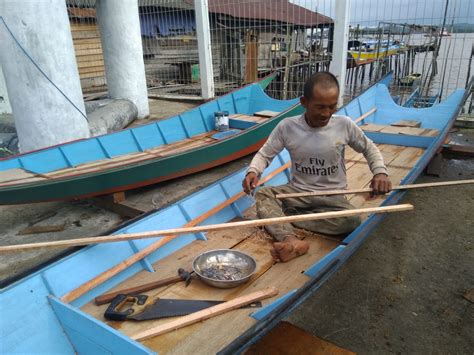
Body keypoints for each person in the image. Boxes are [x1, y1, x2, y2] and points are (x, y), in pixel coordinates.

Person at [242, 72, 392, 263]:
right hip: (297, 193)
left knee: (351, 221)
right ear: (304, 102)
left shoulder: (344, 125)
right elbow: (265, 154)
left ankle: (284, 218)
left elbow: (369, 148)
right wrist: (253, 171)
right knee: (263, 194)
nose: (326, 113)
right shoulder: (287, 127)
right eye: (320, 107)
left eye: (332, 106)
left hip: (332, 197)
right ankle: (290, 240)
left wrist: (380, 172)